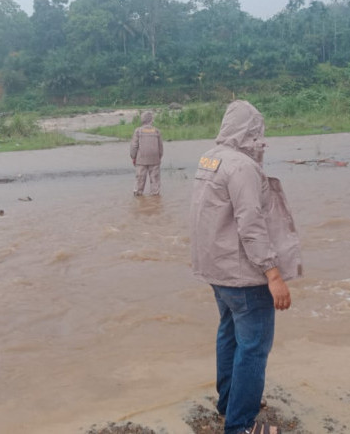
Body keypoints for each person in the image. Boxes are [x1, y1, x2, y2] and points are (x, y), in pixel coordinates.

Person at [189, 100, 303, 434]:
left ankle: (229, 403)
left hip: (216, 269)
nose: (261, 138)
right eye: (258, 131)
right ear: (251, 130)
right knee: (253, 348)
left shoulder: (210, 158)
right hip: (244, 275)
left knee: (229, 334)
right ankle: (240, 425)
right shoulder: (242, 167)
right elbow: (250, 223)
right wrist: (273, 273)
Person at [130, 111, 163, 196]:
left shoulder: (138, 131)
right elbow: (160, 147)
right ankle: (155, 200)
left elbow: (134, 146)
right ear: (152, 120)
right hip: (154, 159)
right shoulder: (157, 131)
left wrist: (133, 157)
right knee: (155, 182)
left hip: (141, 159)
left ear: (142, 120)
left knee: (139, 181)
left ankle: (138, 198)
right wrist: (159, 157)